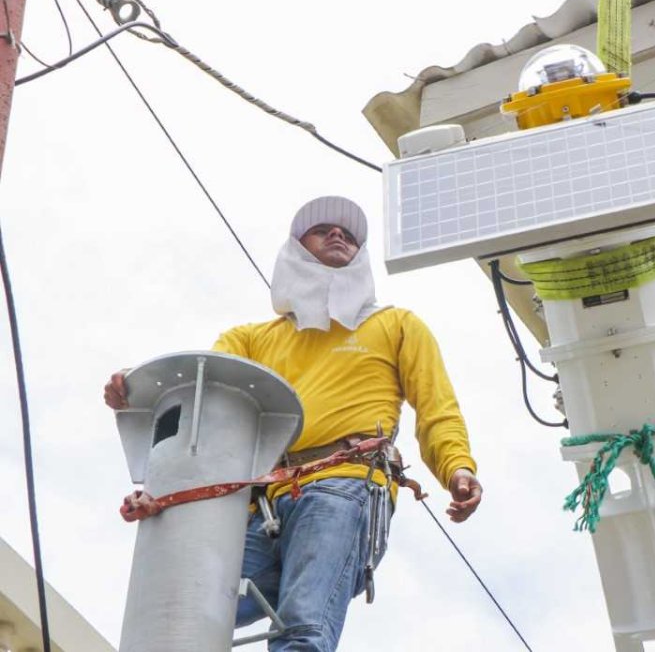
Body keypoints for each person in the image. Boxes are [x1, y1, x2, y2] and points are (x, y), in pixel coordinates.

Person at [104, 195, 483, 651]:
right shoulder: (251, 339)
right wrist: (139, 387)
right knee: (185, 611)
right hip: (259, 505)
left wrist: (457, 467)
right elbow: (203, 401)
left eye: (348, 233)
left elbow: (436, 407)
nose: (339, 234)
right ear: (296, 249)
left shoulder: (396, 324)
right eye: (323, 229)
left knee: (303, 629)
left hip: (343, 486)